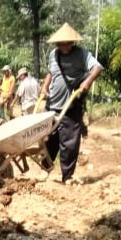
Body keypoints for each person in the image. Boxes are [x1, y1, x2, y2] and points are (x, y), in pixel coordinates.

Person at [40, 23, 102, 185]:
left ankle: (67, 177)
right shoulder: (53, 54)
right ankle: (45, 171)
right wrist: (45, 87)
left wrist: (87, 82)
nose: (63, 46)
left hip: (70, 106)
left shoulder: (82, 54)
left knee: (69, 143)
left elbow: (97, 67)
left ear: (73, 42)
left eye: (66, 43)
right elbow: (50, 72)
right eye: (60, 43)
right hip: (52, 106)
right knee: (48, 140)